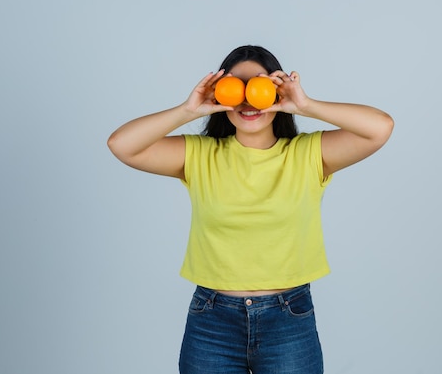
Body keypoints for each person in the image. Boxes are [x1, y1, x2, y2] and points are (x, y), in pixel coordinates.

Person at [107, 45, 394, 374]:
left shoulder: (308, 154)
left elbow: (380, 127)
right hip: (212, 321)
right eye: (235, 87)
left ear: (276, 91)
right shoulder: (199, 156)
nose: (245, 100)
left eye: (257, 86)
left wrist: (305, 104)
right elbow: (121, 145)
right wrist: (189, 110)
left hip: (288, 319)